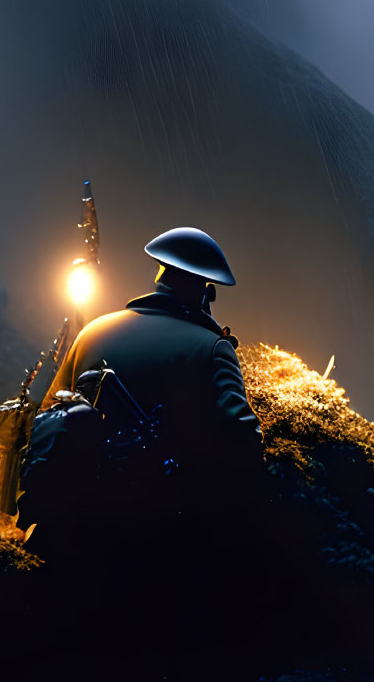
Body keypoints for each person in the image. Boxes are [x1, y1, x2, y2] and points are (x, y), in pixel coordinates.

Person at [22, 226, 264, 567]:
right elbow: (244, 443)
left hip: (68, 526)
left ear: (159, 276)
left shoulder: (94, 331)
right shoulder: (213, 349)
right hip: (154, 540)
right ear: (205, 293)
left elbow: (46, 414)